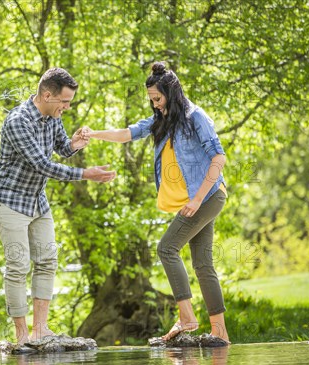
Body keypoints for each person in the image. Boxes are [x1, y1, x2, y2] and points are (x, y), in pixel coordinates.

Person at [83, 62, 230, 344]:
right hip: (198, 201)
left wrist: (197, 200)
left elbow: (218, 158)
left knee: (167, 248)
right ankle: (219, 333)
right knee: (203, 264)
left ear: (171, 94)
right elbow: (128, 133)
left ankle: (187, 317)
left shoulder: (196, 116)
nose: (155, 105)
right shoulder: (161, 121)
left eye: (158, 99)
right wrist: (94, 134)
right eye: (151, 100)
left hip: (209, 196)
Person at [0, 67, 116, 345]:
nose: (67, 108)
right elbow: (42, 165)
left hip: (37, 201)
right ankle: (21, 336)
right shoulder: (18, 121)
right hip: (9, 200)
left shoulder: (51, 116)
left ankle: (40, 330)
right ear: (47, 95)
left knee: (47, 260)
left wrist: (76, 144)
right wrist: (86, 175)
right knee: (18, 265)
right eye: (65, 102)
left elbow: (61, 148)